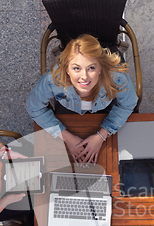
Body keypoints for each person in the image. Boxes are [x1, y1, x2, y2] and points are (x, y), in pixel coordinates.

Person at [26, 34, 138, 164]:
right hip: (68, 112)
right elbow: (34, 107)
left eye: (91, 68)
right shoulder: (52, 80)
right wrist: (66, 137)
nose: (84, 77)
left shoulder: (116, 77)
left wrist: (102, 135)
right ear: (67, 69)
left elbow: (129, 103)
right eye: (76, 68)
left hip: (105, 111)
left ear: (100, 68)